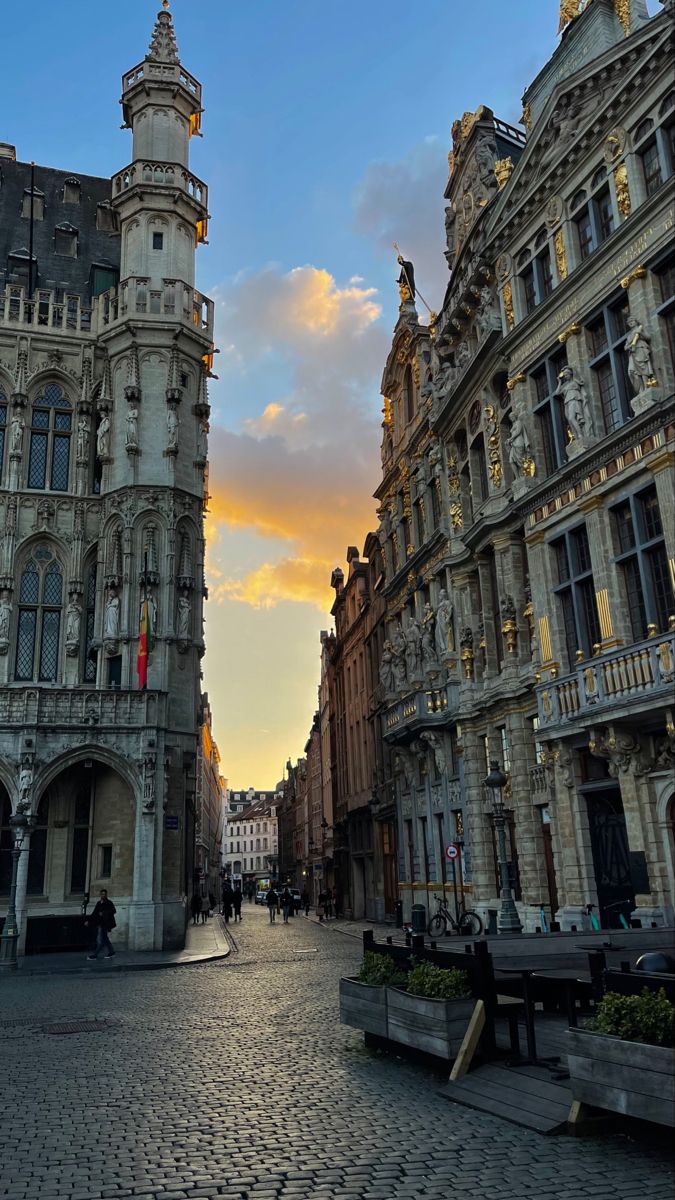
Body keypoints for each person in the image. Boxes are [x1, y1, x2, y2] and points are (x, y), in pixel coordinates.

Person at [85, 888, 117, 960]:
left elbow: (113, 911)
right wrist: (88, 921)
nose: (103, 895)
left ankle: (95, 955)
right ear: (100, 895)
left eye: (104, 894)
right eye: (102, 894)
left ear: (106, 895)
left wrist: (104, 913)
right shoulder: (98, 903)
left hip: (105, 924)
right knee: (105, 939)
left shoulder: (109, 903)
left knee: (100, 940)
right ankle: (111, 952)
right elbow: (94, 913)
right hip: (99, 924)